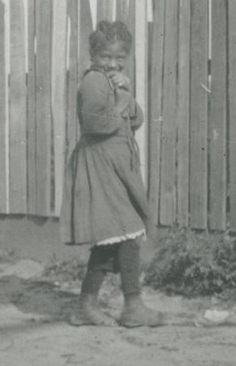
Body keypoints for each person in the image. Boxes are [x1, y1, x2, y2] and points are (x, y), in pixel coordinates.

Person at [60, 20, 162, 328]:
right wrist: (120, 100)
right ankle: (112, 306)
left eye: (120, 58)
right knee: (121, 232)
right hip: (100, 166)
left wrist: (125, 92)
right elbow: (98, 125)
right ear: (93, 54)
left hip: (115, 167)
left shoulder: (112, 80)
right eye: (106, 57)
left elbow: (136, 119)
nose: (113, 63)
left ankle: (121, 305)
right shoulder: (93, 81)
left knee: (121, 236)